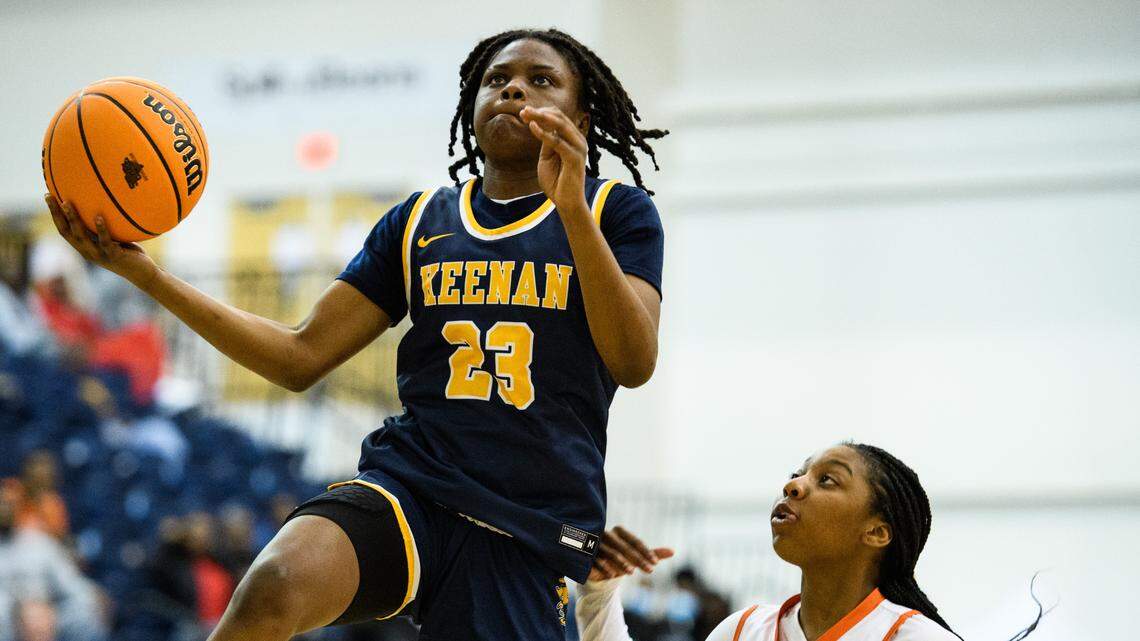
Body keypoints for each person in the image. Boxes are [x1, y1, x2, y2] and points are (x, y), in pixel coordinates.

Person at [47, 27, 666, 641]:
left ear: (580, 118)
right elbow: (298, 356)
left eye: (541, 81)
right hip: (415, 486)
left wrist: (573, 214)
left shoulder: (619, 213)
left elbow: (634, 361)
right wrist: (145, 275)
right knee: (275, 583)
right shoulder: (419, 222)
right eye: (495, 80)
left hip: (529, 524)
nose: (511, 91)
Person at [575, 443, 1046, 641]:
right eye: (797, 474)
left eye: (828, 480)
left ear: (877, 532)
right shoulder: (742, 631)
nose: (794, 485)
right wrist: (598, 592)